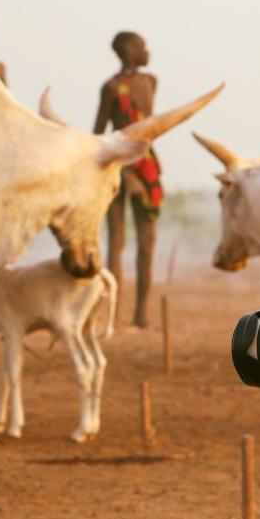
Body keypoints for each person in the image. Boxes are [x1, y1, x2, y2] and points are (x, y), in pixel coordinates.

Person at [93, 31, 162, 327]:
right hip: (119, 165)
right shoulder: (111, 88)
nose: (148, 51)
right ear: (128, 51)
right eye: (143, 46)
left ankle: (141, 313)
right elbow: (99, 131)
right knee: (116, 241)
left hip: (147, 166)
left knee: (147, 242)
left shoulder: (150, 82)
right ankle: (115, 312)